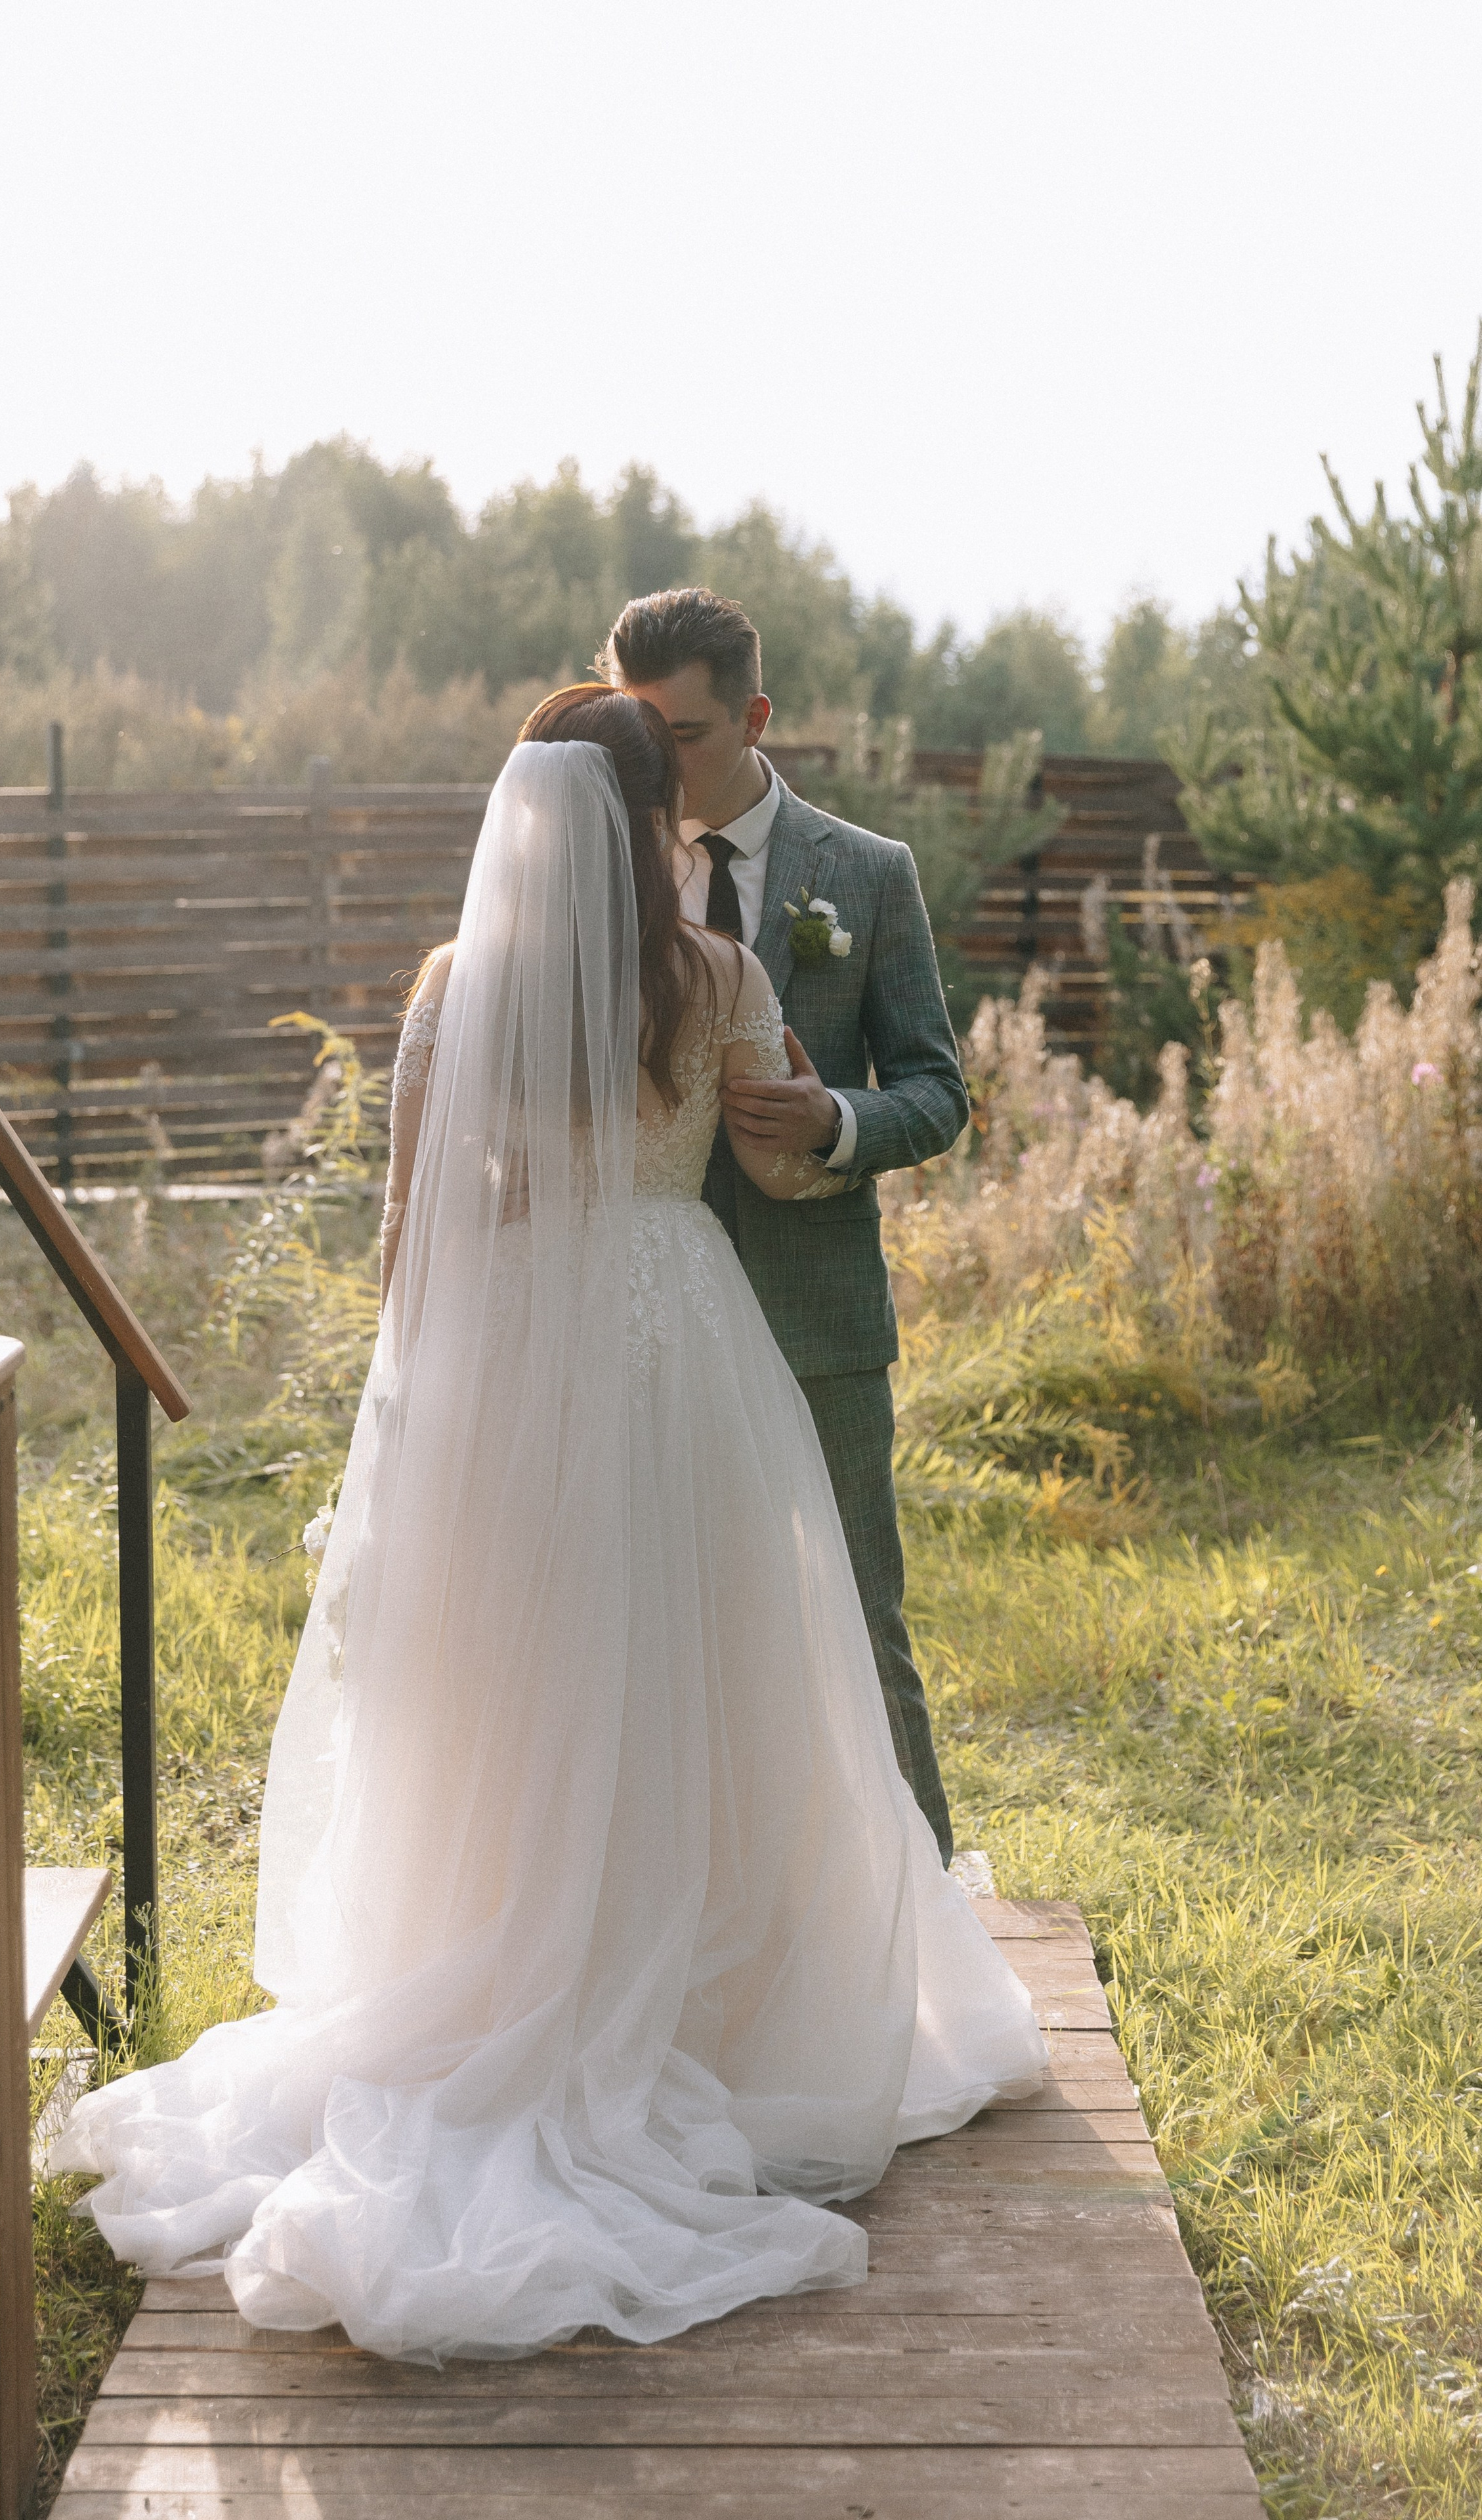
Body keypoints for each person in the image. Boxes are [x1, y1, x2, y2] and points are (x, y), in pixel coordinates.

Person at [52, 691, 1044, 2363]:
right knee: (702, 1654)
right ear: (651, 818)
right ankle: (706, 1998)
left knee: (516, 1673)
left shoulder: (456, 986)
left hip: (513, 1348)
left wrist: (412, 1422)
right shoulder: (715, 976)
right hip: (680, 1333)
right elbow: (779, 1169)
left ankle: (512, 1946)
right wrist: (809, 1116)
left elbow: (409, 1234)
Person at [606, 587, 963, 1861]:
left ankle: (921, 1902)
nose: (655, 768)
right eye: (635, 734)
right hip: (640, 1323)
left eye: (683, 736)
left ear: (754, 718)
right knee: (662, 1628)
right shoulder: (598, 877)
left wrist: (833, 1119)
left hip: (815, 1319)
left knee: (858, 1616)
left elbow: (936, 1090)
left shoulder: (867, 874)